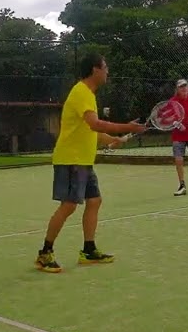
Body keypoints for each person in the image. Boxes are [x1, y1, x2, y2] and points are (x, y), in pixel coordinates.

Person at [37, 53, 147, 274]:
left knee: (94, 201)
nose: (108, 71)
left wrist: (114, 139)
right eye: (105, 67)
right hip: (71, 160)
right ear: (95, 70)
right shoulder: (81, 92)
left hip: (84, 161)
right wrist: (126, 127)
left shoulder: (88, 95)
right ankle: (44, 253)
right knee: (69, 205)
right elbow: (95, 124)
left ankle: (88, 250)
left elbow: (90, 131)